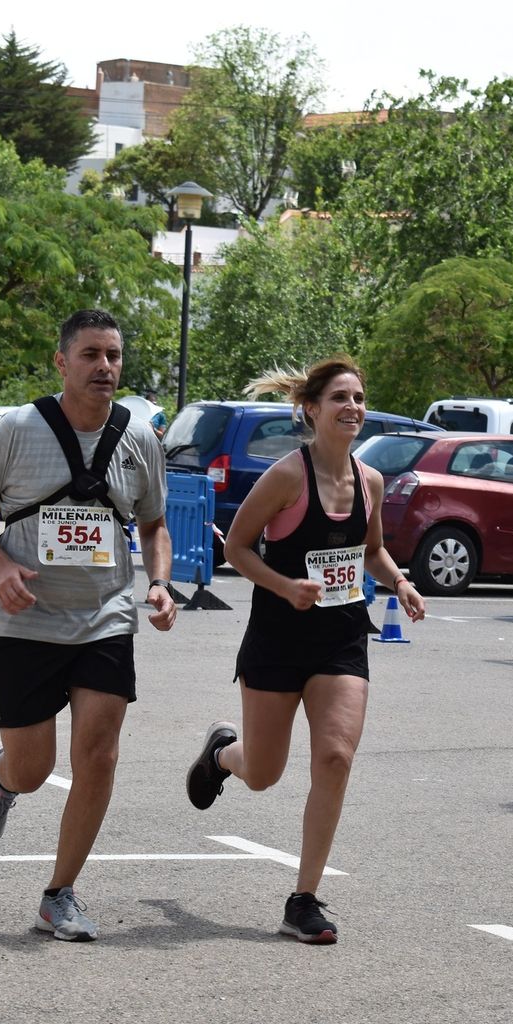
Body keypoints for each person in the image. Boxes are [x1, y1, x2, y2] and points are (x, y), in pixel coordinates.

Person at [183, 358, 426, 945]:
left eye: (360, 397)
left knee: (335, 758)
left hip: (341, 638)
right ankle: (223, 755)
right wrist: (286, 586)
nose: (353, 407)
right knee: (263, 773)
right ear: (311, 409)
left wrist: (399, 582)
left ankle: (304, 898)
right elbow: (238, 548)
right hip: (277, 636)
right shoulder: (287, 477)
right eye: (340, 397)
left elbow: (371, 550)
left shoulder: (371, 481)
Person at [0, 309, 177, 942]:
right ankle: (3, 779)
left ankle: (60, 893)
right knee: (34, 765)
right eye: (90, 355)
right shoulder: (20, 430)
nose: (104, 367)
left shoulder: (140, 439)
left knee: (99, 756)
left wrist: (158, 585)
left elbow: (155, 523)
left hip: (106, 617)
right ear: (62, 361)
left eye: (113, 355)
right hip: (24, 619)